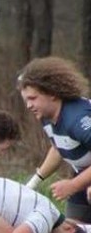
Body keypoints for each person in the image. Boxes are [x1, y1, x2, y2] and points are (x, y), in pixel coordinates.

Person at [19, 57, 91, 223]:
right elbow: (58, 149)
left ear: (52, 94)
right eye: (26, 100)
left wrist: (73, 186)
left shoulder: (78, 119)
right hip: (82, 175)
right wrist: (33, 184)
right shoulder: (46, 117)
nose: (28, 105)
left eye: (33, 98)